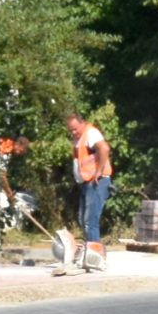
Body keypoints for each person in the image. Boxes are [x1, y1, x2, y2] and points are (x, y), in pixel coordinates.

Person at [63, 112, 111, 275]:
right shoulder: (79, 138)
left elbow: (104, 148)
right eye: (71, 130)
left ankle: (95, 258)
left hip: (96, 182)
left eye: (75, 129)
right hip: (86, 183)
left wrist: (98, 172)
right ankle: (91, 255)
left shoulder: (90, 133)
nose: (73, 133)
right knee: (83, 220)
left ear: (82, 123)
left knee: (90, 221)